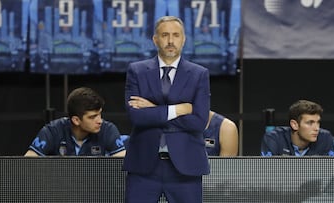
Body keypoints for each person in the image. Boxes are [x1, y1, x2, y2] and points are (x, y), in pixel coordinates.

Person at [123, 16, 210, 203]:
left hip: (185, 168)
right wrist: (178, 110)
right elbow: (136, 117)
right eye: (165, 35)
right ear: (155, 39)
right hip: (144, 167)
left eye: (176, 35)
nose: (171, 41)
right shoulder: (136, 71)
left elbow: (199, 121)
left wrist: (154, 110)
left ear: (183, 39)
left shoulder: (199, 74)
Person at [24, 87, 127, 156]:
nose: (100, 121)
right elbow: (28, 164)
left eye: (100, 114)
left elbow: (124, 165)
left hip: (96, 186)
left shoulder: (108, 130)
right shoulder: (52, 131)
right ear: (76, 120)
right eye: (92, 117)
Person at [261, 100, 334, 156]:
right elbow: (268, 173)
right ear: (294, 125)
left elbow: (331, 174)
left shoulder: (326, 137)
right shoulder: (274, 138)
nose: (317, 128)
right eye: (310, 123)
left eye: (318, 122)